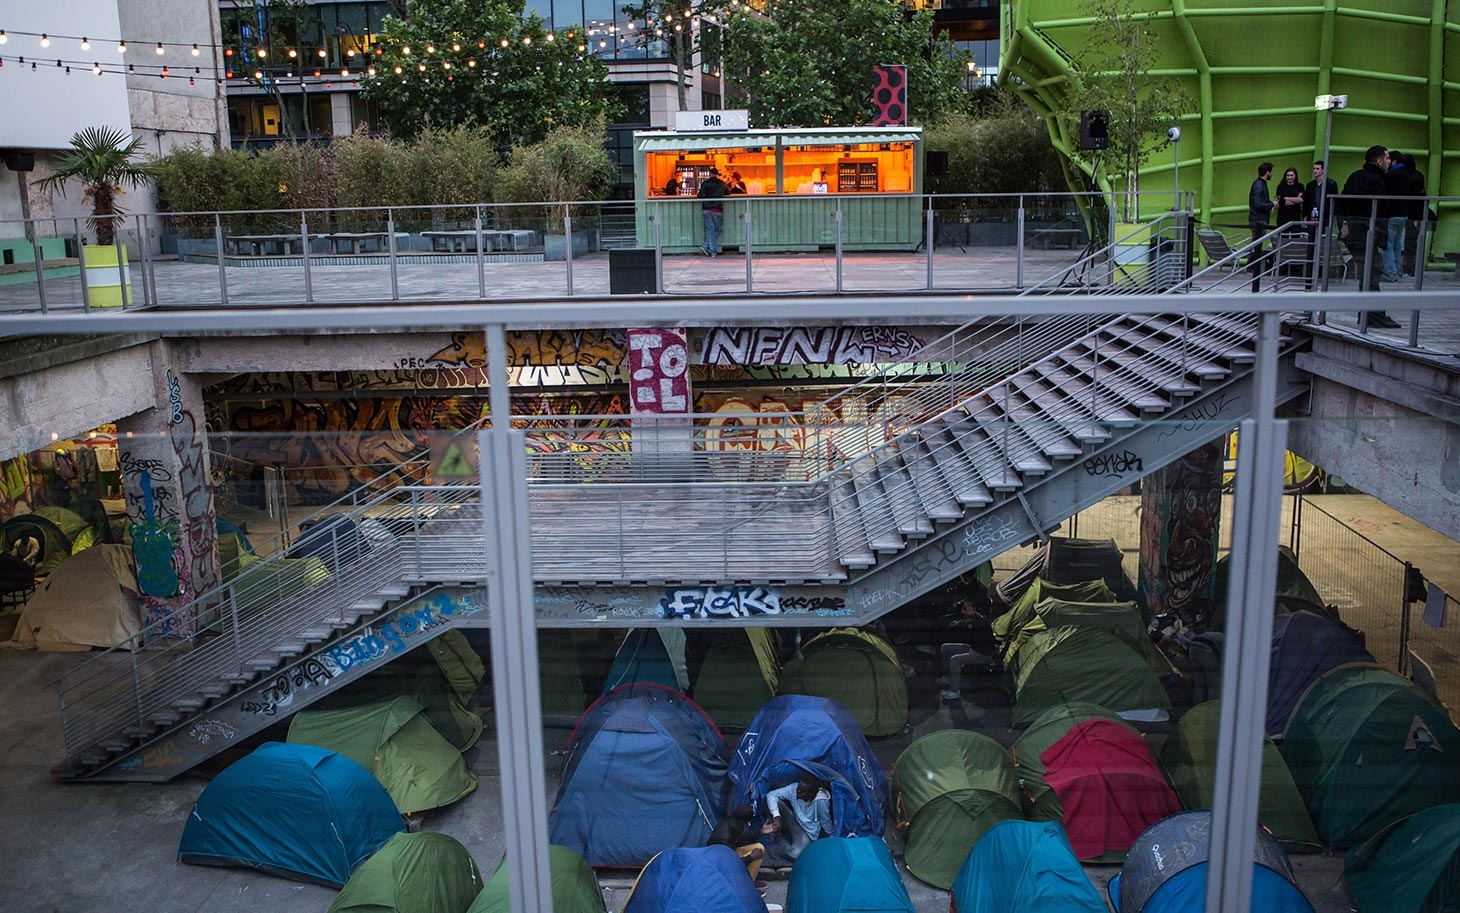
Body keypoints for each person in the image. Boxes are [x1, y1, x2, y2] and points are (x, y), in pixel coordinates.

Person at [1337, 145, 1400, 327]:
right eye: (1387, 158)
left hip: (1355, 234)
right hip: (1366, 233)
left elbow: (1343, 202)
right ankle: (1374, 315)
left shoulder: (1356, 176)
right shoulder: (1376, 181)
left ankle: (1369, 314)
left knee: (1368, 273)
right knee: (1372, 273)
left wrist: (1344, 226)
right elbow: (1377, 211)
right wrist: (1378, 234)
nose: (1389, 162)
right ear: (1379, 161)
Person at [759, 774, 832, 874]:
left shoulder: (821, 801)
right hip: (794, 820)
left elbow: (826, 821)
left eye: (803, 792)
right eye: (799, 789)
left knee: (796, 854)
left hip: (807, 832)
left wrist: (832, 838)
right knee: (775, 802)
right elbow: (772, 795)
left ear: (812, 794)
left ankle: (779, 839)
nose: (798, 792)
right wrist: (776, 817)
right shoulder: (794, 789)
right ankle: (774, 828)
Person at [708, 804, 765, 882]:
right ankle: (743, 886)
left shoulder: (733, 823)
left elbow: (741, 840)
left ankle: (749, 882)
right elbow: (730, 865)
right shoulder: (724, 837)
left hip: (730, 854)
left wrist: (761, 832)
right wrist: (751, 857)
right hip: (720, 864)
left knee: (759, 848)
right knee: (754, 855)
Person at [1382, 150, 1409, 282]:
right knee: (1398, 244)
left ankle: (1390, 272)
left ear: (1394, 161)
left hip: (1392, 213)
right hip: (1404, 214)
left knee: (1388, 244)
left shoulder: (1391, 175)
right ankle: (1398, 270)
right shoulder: (1407, 175)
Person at [1247, 162, 1274, 274]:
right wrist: (1271, 205)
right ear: (1267, 172)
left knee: (1257, 243)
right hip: (1258, 219)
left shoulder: (1259, 184)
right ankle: (1253, 267)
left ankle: (1253, 266)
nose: (1272, 174)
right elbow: (1258, 203)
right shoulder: (1259, 185)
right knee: (1257, 243)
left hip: (1257, 218)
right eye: (1271, 172)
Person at [697, 166, 728, 257]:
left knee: (710, 230)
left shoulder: (705, 183)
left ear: (710, 174)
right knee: (719, 228)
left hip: (707, 209)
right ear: (717, 174)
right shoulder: (722, 183)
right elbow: (728, 192)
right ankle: (711, 250)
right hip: (718, 208)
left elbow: (700, 195)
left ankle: (708, 248)